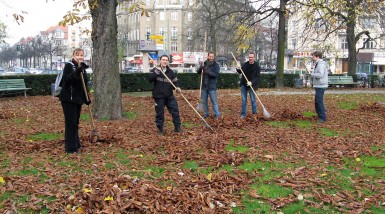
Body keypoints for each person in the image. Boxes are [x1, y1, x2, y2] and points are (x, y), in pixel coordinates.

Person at [59, 48, 91, 153]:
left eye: (82, 55)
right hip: (69, 99)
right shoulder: (69, 66)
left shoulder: (82, 67)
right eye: (77, 55)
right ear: (73, 56)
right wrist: (77, 71)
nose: (80, 57)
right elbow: (67, 80)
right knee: (70, 123)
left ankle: (76, 145)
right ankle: (70, 148)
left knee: (75, 123)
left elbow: (84, 84)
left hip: (77, 99)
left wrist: (87, 98)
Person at [148, 55, 182, 135]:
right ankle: (160, 130)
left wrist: (177, 87)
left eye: (166, 60)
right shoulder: (155, 70)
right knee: (160, 113)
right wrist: (157, 72)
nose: (165, 61)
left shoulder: (170, 72)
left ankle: (178, 128)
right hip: (159, 96)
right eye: (163, 60)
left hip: (169, 95)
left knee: (175, 111)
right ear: (160, 60)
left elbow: (175, 81)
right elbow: (150, 79)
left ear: (168, 61)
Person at [236, 51, 261, 118]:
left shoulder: (257, 66)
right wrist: (238, 67)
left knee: (253, 100)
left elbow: (257, 77)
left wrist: (251, 82)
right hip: (244, 85)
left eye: (252, 57)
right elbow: (240, 71)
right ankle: (243, 114)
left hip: (252, 85)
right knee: (244, 100)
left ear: (254, 58)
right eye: (249, 57)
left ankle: (254, 114)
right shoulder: (245, 64)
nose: (250, 58)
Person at [197, 51, 220, 119]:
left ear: (213, 57)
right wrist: (200, 68)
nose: (211, 58)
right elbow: (198, 72)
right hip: (204, 86)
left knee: (214, 101)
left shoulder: (216, 65)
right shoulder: (204, 63)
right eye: (210, 56)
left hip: (212, 87)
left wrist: (208, 72)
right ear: (208, 56)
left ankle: (217, 114)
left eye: (212, 57)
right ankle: (206, 113)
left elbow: (216, 74)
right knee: (204, 101)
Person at [308, 51, 328, 124]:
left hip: (321, 85)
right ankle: (320, 115)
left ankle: (322, 118)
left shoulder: (321, 64)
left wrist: (312, 74)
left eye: (313, 56)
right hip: (319, 85)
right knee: (318, 102)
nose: (312, 58)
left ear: (317, 57)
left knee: (319, 102)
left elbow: (320, 74)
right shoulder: (318, 64)